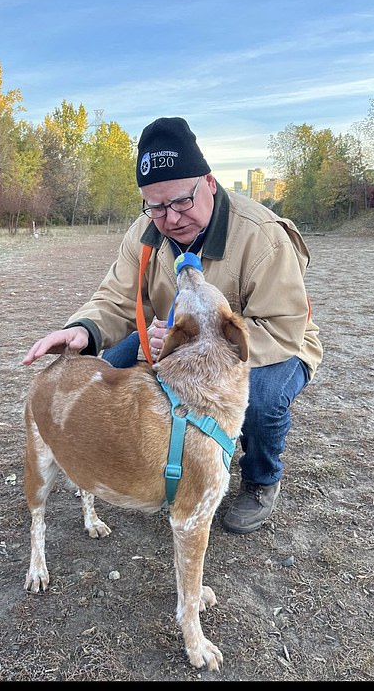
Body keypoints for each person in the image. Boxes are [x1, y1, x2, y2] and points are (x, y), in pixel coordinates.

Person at [23, 117, 323, 534]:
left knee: (264, 398)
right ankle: (155, 460)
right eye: (156, 206)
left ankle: (259, 478)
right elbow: (116, 297)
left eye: (182, 201)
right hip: (175, 341)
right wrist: (84, 330)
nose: (171, 217)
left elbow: (284, 326)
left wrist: (203, 346)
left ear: (209, 183)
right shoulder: (145, 233)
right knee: (113, 364)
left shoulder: (262, 236)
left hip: (271, 346)